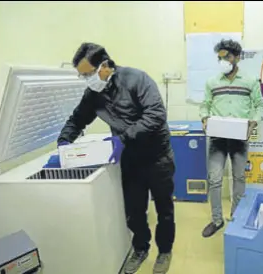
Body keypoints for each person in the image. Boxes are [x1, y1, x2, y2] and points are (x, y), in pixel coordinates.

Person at [57, 43, 176, 274]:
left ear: (105, 65)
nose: (86, 80)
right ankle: (140, 248)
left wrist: (124, 138)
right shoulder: (94, 93)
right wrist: (64, 142)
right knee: (134, 209)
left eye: (88, 74)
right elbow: (78, 118)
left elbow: (156, 115)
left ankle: (164, 251)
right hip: (130, 159)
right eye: (82, 76)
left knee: (164, 207)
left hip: (157, 156)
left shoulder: (137, 79)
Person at [200, 39, 263, 238]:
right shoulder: (212, 82)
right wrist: (204, 118)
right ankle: (217, 220)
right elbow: (205, 105)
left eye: (227, 56)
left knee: (238, 178)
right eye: (220, 57)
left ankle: (235, 218)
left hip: (239, 138)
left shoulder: (250, 80)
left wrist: (252, 123)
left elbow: (259, 105)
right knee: (215, 179)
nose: (223, 60)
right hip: (217, 138)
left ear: (237, 57)